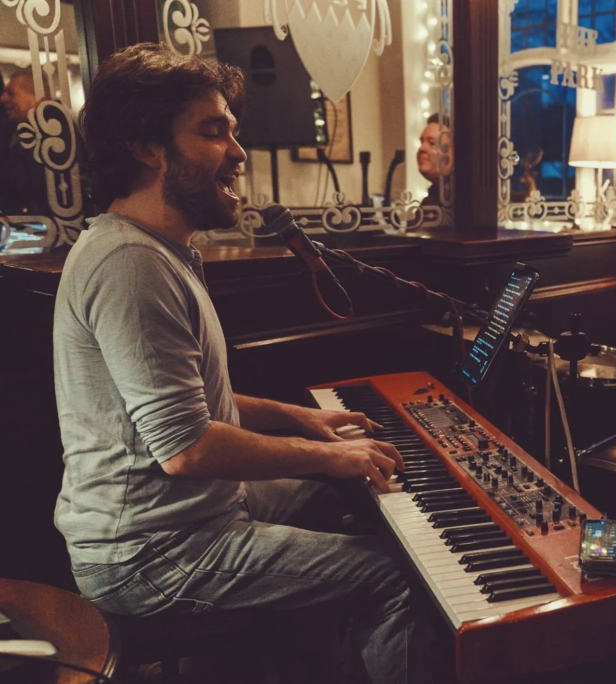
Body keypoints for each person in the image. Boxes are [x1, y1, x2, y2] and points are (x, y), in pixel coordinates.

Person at [54, 43, 430, 683]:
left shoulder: (159, 251)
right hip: (151, 553)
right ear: (148, 148)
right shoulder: (130, 265)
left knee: (344, 491)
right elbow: (187, 449)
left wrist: (300, 421)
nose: (237, 152)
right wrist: (328, 453)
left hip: (187, 518)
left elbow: (189, 405)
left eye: (232, 130)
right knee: (397, 577)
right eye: (212, 131)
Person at [0, 68, 49, 215]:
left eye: (11, 93)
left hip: (49, 228)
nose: (3, 99)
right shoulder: (16, 131)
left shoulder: (56, 131)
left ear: (36, 96)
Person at [416, 113, 450, 206]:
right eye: (422, 142)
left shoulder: (458, 202)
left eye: (432, 143)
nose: (421, 148)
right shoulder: (433, 198)